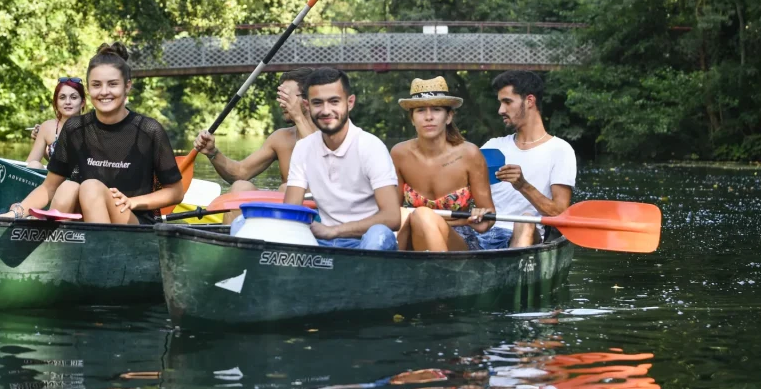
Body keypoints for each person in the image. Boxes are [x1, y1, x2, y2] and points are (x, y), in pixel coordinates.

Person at [0, 43, 184, 224]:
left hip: (132, 223)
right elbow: (49, 187)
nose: (104, 92)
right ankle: (48, 246)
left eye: (112, 84)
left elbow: (176, 192)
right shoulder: (74, 128)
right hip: (83, 221)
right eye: (96, 85)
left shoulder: (149, 130)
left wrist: (133, 202)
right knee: (68, 186)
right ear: (88, 88)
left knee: (90, 187)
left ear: (127, 86)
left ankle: (100, 251)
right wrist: (14, 213)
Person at [245, 67, 400, 250]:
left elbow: (392, 217)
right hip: (322, 240)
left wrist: (334, 230)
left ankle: (361, 275)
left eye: (334, 101)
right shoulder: (303, 148)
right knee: (242, 224)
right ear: (307, 106)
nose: (326, 111)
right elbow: (291, 213)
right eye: (318, 103)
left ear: (350, 103)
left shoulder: (370, 147)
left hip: (365, 241)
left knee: (379, 233)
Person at [389, 77, 501, 251]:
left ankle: (440, 275)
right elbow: (393, 214)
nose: (428, 117)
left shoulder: (469, 154)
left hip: (459, 240)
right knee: (409, 215)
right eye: (420, 110)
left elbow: (488, 219)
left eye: (436, 109)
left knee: (423, 215)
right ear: (412, 118)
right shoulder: (399, 154)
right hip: (412, 236)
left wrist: (477, 218)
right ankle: (391, 272)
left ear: (448, 116)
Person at [482, 71, 576, 247]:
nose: (501, 110)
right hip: (482, 233)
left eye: (507, 102)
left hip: (523, 236)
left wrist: (523, 185)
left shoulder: (560, 150)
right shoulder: (492, 146)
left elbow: (560, 213)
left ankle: (514, 269)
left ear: (529, 101)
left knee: (525, 220)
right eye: (500, 103)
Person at [192, 68, 317, 192]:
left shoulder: (331, 136)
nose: (281, 103)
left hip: (318, 208)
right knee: (241, 187)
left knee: (286, 189)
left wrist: (299, 117)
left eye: (286, 97)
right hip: (284, 208)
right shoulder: (280, 138)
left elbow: (323, 171)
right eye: (280, 97)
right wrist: (212, 152)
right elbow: (240, 173)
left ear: (308, 99)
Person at [26, 77, 86, 169]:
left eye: (73, 97)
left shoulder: (92, 127)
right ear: (56, 102)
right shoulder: (47, 127)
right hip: (54, 181)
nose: (67, 102)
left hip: (83, 181)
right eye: (62, 98)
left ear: (82, 102)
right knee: (34, 165)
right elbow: (28, 165)